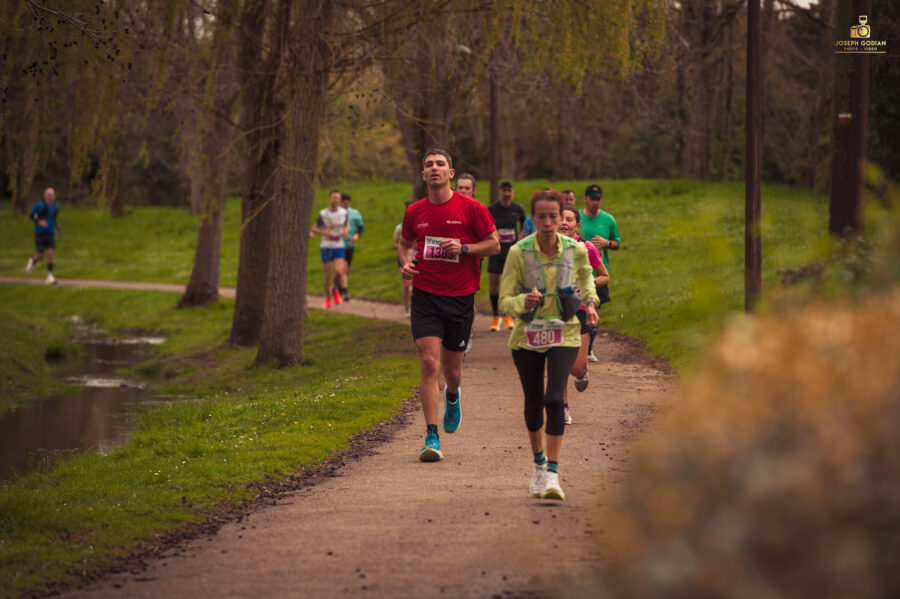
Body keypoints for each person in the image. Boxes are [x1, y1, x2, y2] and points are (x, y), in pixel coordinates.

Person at [398, 149, 500, 462]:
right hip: (426, 295)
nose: (434, 168)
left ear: (451, 173)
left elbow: (495, 244)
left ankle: (452, 396)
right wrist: (406, 264)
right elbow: (405, 244)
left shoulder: (472, 208)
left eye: (440, 164)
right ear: (423, 174)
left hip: (460, 297)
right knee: (430, 363)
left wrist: (465, 247)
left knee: (452, 371)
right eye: (428, 164)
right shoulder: (415, 211)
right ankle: (431, 435)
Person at [499, 189, 599, 500]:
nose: (547, 222)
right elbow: (504, 300)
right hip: (527, 335)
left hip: (565, 331)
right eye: (540, 217)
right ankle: (539, 467)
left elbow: (587, 278)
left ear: (562, 218)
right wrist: (521, 300)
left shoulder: (575, 250)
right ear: (532, 218)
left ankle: (553, 475)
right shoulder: (519, 252)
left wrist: (592, 303)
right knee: (533, 402)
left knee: (554, 399)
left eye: (553, 217)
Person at [558, 206, 609, 425]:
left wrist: (586, 284)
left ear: (578, 225)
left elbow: (604, 276)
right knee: (557, 362)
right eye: (560, 218)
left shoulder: (586, 247)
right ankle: (562, 408)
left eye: (569, 219)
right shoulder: (546, 247)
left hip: (579, 311)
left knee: (576, 367)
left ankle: (582, 372)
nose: (563, 223)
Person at [579, 184, 619, 362]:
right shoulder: (576, 218)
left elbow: (617, 243)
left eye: (598, 199)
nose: (595, 202)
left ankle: (588, 348)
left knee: (592, 310)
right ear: (585, 199)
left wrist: (607, 243)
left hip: (598, 274)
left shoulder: (609, 220)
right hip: (576, 275)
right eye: (592, 199)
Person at [488, 181, 526, 331]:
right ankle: (496, 317)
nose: (506, 193)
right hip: (496, 251)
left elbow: (526, 225)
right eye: (504, 190)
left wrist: (522, 238)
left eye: (509, 190)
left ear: (513, 192)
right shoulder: (491, 209)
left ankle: (509, 316)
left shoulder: (518, 209)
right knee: (494, 284)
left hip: (512, 252)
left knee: (513, 285)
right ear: (499, 192)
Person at [311, 190, 349, 309]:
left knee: (339, 271)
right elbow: (314, 228)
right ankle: (327, 297)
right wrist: (323, 232)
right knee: (327, 274)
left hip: (339, 245)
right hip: (326, 246)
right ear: (329, 199)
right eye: (334, 198)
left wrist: (346, 232)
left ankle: (335, 289)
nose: (336, 200)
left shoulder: (344, 212)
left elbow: (346, 225)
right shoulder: (323, 214)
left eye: (338, 198)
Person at [25, 187, 60, 285]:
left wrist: (57, 226)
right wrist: (39, 221)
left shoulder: (56, 207)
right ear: (45, 195)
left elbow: (52, 219)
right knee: (40, 256)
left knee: (51, 253)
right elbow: (32, 215)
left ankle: (50, 276)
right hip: (40, 234)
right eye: (48, 194)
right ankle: (33, 261)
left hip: (50, 234)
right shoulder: (39, 205)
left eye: (52, 194)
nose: (50, 196)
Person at [338, 193, 364, 301]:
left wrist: (356, 235)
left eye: (347, 203)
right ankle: (344, 291)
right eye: (343, 203)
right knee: (342, 267)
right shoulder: (336, 214)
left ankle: (339, 287)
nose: (345, 205)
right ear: (340, 203)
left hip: (350, 244)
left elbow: (361, 227)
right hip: (338, 244)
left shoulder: (354, 213)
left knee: (346, 269)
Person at [393, 201, 414, 316]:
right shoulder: (400, 228)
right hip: (403, 258)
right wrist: (403, 246)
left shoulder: (421, 224)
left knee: (416, 287)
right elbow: (394, 244)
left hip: (416, 258)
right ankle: (406, 306)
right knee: (406, 286)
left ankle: (416, 307)